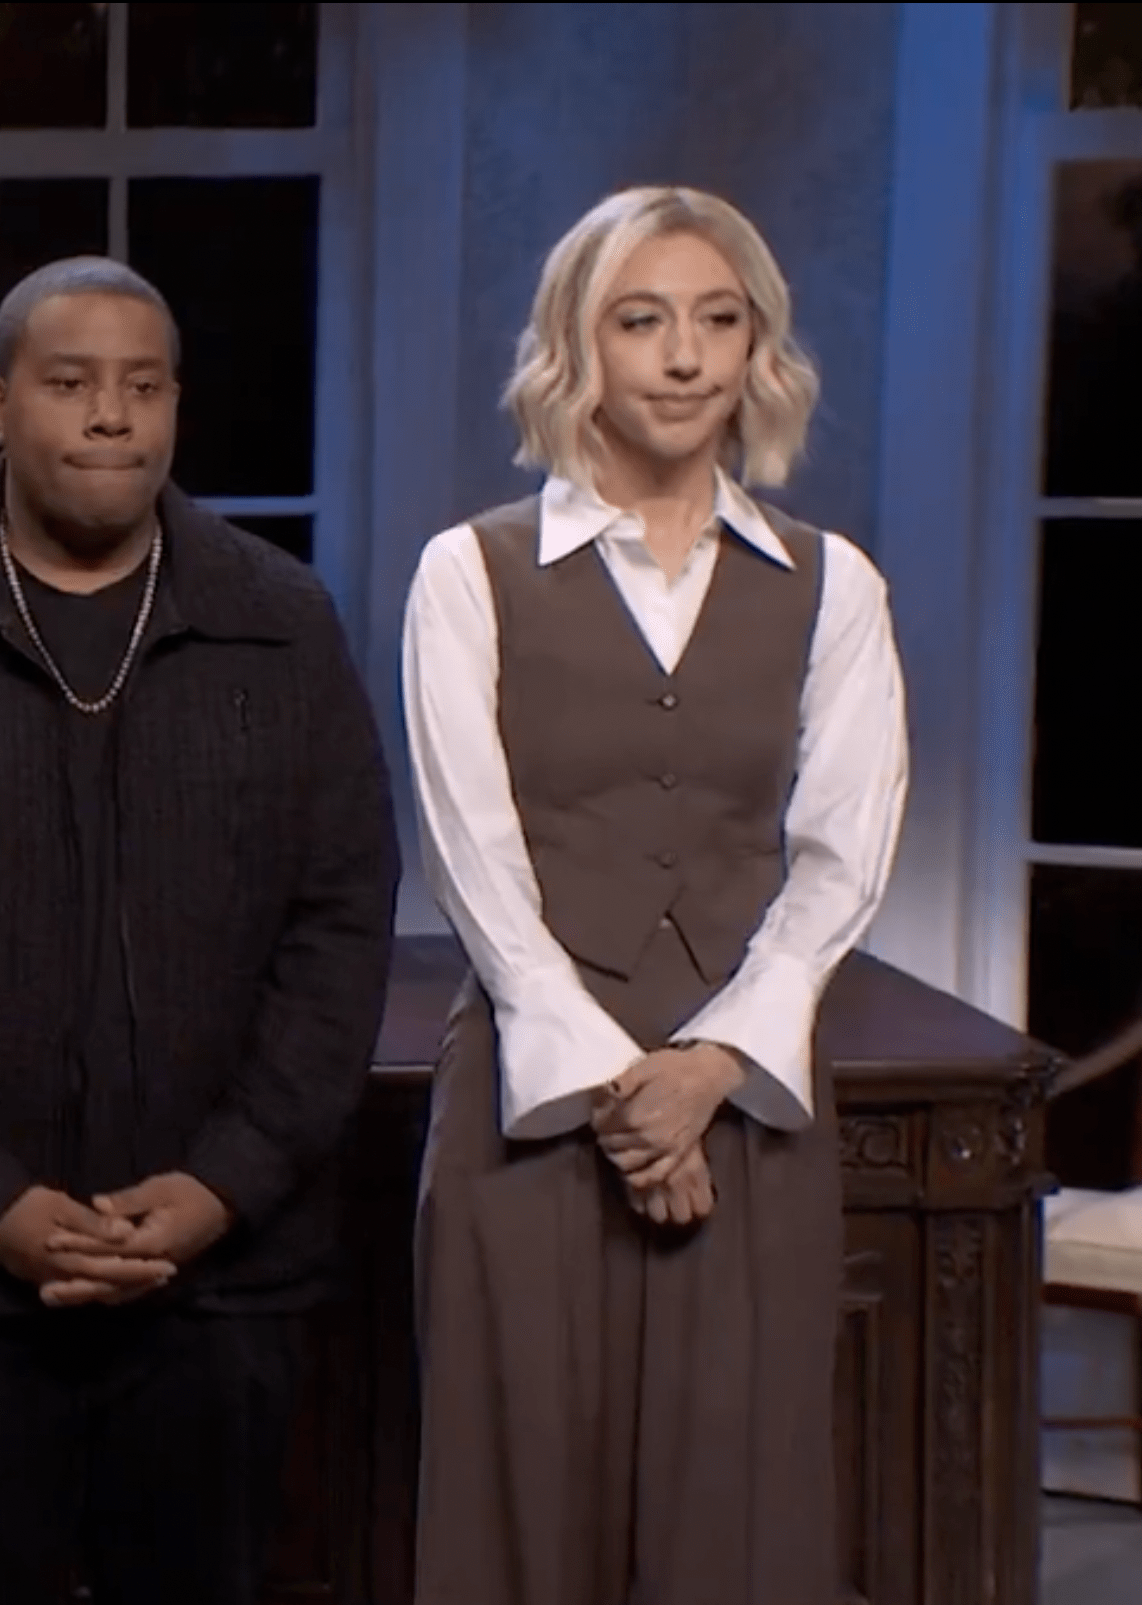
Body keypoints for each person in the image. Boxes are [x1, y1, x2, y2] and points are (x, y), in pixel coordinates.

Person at [0, 256, 399, 1605]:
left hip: (221, 1283)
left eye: (144, 386)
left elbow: (342, 925)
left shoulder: (283, 622)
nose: (112, 415)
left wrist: (222, 1185)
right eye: (71, 383)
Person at [402, 185, 909, 1604]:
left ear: (758, 350)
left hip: (749, 1109)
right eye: (642, 321)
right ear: (579, 347)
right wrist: (619, 1091)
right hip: (528, 1106)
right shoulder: (470, 573)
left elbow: (842, 856)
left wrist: (710, 1070)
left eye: (717, 321)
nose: (685, 357)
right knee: (517, 1508)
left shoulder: (835, 586)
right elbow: (471, 851)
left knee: (735, 1518)